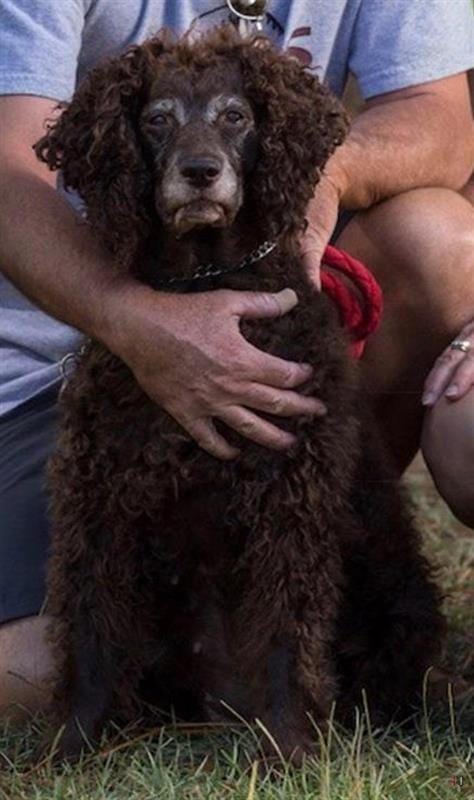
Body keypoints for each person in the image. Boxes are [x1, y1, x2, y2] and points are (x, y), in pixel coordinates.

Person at [0, 0, 472, 721]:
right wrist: (131, 321)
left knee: (438, 235)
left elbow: (441, 117)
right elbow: (8, 171)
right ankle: (206, 658)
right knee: (35, 673)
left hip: (267, 286)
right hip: (52, 357)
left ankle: (320, 630)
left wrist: (327, 176)